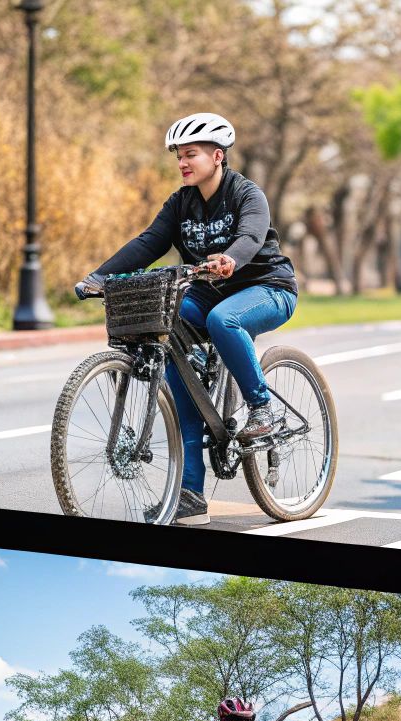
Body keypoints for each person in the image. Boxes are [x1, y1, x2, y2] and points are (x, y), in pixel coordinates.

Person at [78, 113, 299, 527]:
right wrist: (99, 276)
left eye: (191, 154)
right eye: (179, 156)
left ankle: (261, 408)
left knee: (223, 321)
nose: (182, 162)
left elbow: (252, 235)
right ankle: (192, 496)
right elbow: (149, 242)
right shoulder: (181, 202)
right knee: (172, 345)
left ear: (217, 156)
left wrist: (231, 258)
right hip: (207, 289)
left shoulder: (246, 194)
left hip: (267, 287)